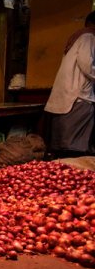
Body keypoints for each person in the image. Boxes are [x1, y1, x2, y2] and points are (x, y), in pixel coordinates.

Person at [44, 10, 95, 158]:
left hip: (69, 92)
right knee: (73, 142)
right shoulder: (88, 37)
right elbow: (87, 65)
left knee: (64, 138)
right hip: (77, 94)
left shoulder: (79, 36)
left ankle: (64, 165)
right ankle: (71, 164)